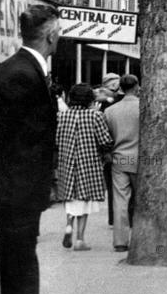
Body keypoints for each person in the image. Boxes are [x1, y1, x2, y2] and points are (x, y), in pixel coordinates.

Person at [0, 4, 60, 294]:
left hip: (20, 197)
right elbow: (19, 144)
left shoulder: (19, 70)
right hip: (16, 199)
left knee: (21, 273)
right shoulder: (21, 75)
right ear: (50, 35)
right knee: (20, 274)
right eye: (59, 32)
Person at [56, 83, 113, 251]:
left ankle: (68, 225)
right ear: (90, 99)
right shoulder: (95, 116)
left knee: (71, 197)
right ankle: (80, 239)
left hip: (67, 162)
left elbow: (57, 140)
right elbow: (104, 140)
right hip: (88, 163)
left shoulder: (62, 116)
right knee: (85, 200)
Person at [105, 74, 140, 251]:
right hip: (140, 158)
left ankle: (120, 241)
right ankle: (141, 238)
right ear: (136, 87)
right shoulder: (144, 108)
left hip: (119, 158)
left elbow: (107, 137)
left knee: (120, 201)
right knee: (142, 199)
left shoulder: (110, 111)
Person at [96, 72, 124, 226]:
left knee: (112, 185)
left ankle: (113, 217)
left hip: (109, 151)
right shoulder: (115, 101)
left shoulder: (101, 103)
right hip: (119, 148)